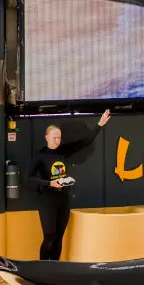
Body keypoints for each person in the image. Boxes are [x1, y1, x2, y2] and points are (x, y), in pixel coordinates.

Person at [30, 109, 112, 261]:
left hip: (63, 197)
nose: (57, 141)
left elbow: (86, 141)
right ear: (46, 137)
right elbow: (29, 178)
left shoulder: (63, 151)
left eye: (59, 138)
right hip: (47, 200)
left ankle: (55, 269)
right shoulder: (40, 155)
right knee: (49, 236)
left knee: (59, 236)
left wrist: (99, 124)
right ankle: (42, 268)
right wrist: (49, 183)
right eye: (54, 138)